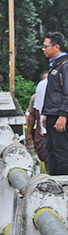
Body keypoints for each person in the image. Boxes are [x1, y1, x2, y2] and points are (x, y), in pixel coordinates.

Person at [41, 32, 68, 175]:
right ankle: (55, 181)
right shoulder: (55, 65)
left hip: (60, 115)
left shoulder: (64, 65)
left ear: (56, 47)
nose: (43, 49)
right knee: (51, 150)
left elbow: (67, 93)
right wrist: (47, 113)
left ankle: (64, 185)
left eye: (46, 46)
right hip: (52, 114)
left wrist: (63, 115)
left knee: (61, 151)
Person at [29, 71, 50, 171]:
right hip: (41, 130)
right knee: (45, 156)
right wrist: (29, 133)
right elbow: (32, 115)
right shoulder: (35, 97)